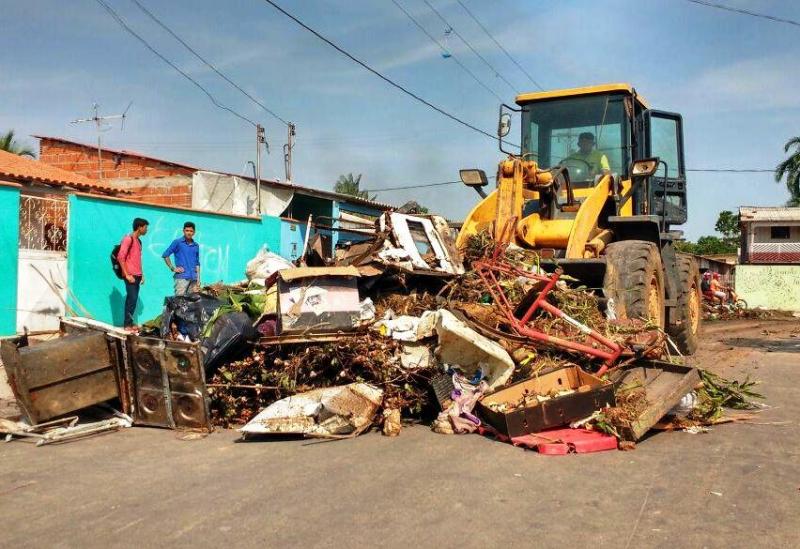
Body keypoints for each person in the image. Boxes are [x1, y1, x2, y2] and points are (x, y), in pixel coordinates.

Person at [118, 217, 149, 330]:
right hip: (130, 274)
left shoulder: (139, 241)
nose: (146, 230)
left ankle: (130, 323)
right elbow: (121, 257)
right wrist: (126, 275)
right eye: (145, 227)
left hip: (137, 275)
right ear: (139, 227)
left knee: (133, 300)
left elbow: (138, 259)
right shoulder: (128, 239)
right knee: (132, 298)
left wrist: (142, 274)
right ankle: (127, 325)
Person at [162, 221, 201, 296]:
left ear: (194, 232)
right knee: (179, 301)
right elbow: (165, 255)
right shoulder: (177, 242)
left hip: (193, 278)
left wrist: (198, 279)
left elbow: (197, 263)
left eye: (191, 231)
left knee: (192, 301)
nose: (189, 233)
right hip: (181, 278)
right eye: (187, 230)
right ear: (183, 231)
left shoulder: (196, 245)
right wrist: (173, 268)